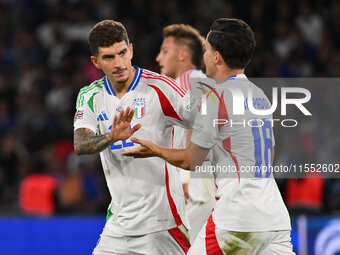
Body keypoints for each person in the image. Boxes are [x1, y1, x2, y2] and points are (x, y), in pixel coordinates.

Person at [123, 18, 295, 254]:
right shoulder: (259, 96)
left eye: (206, 51)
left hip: (237, 216)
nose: (203, 57)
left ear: (217, 57)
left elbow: (190, 161)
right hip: (274, 217)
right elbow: (266, 155)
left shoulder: (214, 97)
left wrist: (156, 149)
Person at [73, 20, 191, 255]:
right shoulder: (90, 96)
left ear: (131, 50)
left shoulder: (160, 89)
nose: (118, 64)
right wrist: (110, 136)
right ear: (96, 62)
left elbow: (207, 122)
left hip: (163, 225)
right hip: (119, 224)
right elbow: (80, 144)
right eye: (108, 57)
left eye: (122, 53)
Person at [156, 23, 215, 242]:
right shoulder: (180, 85)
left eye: (164, 51)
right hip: (186, 187)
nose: (158, 58)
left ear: (183, 55)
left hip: (194, 188)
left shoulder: (195, 82)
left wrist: (186, 177)